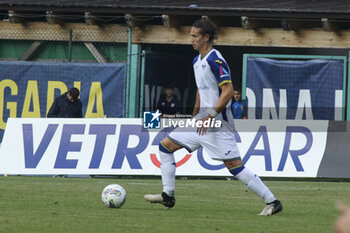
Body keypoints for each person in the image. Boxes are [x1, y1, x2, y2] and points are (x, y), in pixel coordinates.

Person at [144, 18, 282, 216]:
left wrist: (210, 115)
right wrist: (195, 115)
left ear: (206, 37)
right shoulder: (196, 60)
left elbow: (228, 91)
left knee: (235, 168)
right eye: (190, 35)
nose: (191, 39)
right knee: (165, 146)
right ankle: (168, 195)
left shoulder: (214, 59)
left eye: (194, 36)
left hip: (218, 124)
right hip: (201, 121)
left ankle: (272, 201)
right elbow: (202, 89)